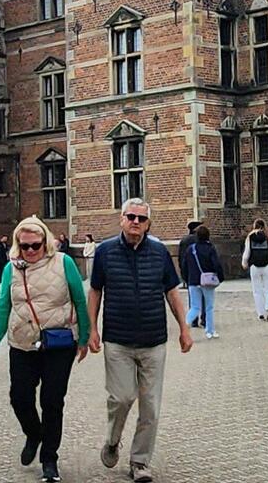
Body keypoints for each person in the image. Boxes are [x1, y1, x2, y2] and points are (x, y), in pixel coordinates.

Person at [89, 197, 192, 483]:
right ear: (121, 219)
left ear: (148, 224)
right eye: (130, 217)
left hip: (153, 340)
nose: (135, 222)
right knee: (121, 398)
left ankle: (140, 462)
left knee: (151, 406)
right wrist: (91, 329)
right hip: (118, 340)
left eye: (141, 219)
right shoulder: (105, 252)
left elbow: (172, 292)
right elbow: (95, 291)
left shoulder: (159, 253)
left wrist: (184, 328)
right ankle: (112, 440)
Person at [0, 215, 89, 483]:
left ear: (45, 242)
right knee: (19, 397)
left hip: (58, 343)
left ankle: (49, 460)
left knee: (52, 401)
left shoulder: (63, 263)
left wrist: (85, 337)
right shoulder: (11, 269)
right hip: (22, 343)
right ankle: (33, 433)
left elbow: (79, 299)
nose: (30, 251)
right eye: (25, 246)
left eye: (35, 245)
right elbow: (3, 307)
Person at [183, 224, 224, 339]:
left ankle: (185, 325)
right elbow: (216, 264)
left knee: (195, 307)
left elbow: (184, 265)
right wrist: (220, 277)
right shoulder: (210, 248)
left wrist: (187, 279)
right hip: (207, 281)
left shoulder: (191, 249)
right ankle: (209, 331)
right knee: (209, 307)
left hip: (193, 281)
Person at [242, 217, 268, 321]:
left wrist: (244, 262)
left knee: (257, 291)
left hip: (254, 266)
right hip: (267, 265)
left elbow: (247, 251)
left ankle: (261, 313)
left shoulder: (250, 236)